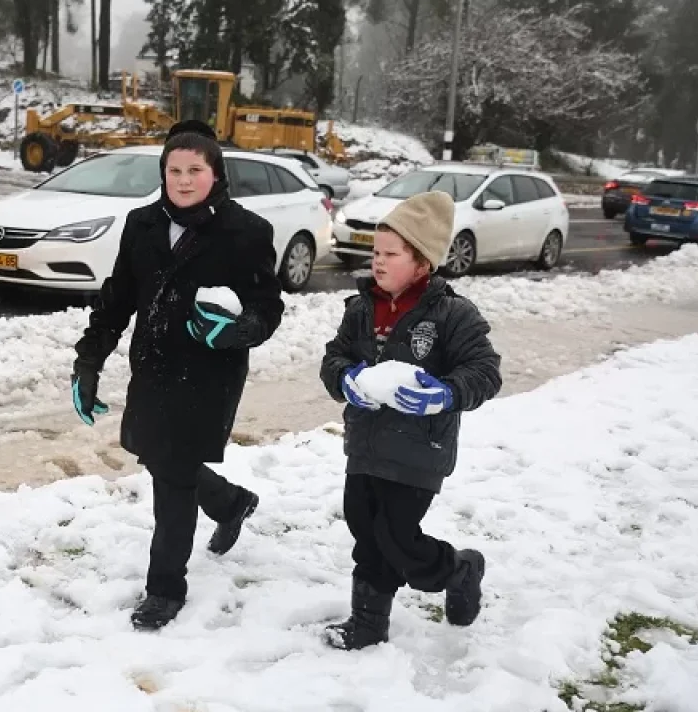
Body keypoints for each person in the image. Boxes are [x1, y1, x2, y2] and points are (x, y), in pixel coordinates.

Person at [71, 120, 285, 631]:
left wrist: (234, 333)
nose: (184, 180)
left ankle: (165, 590)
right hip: (152, 366)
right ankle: (232, 503)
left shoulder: (246, 231)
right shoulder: (141, 224)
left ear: (216, 174)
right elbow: (116, 300)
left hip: (209, 376)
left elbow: (266, 310)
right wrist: (89, 360)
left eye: (195, 170)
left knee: (172, 477)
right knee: (156, 456)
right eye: (174, 170)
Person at [318, 190, 503, 650]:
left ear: (421, 262)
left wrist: (446, 394)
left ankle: (459, 569)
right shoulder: (361, 309)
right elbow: (334, 357)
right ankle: (367, 626)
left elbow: (484, 371)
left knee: (396, 537)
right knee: (365, 526)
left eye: (390, 254)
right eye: (375, 253)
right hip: (365, 444)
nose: (378, 262)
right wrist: (346, 378)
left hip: (420, 450)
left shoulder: (452, 314)